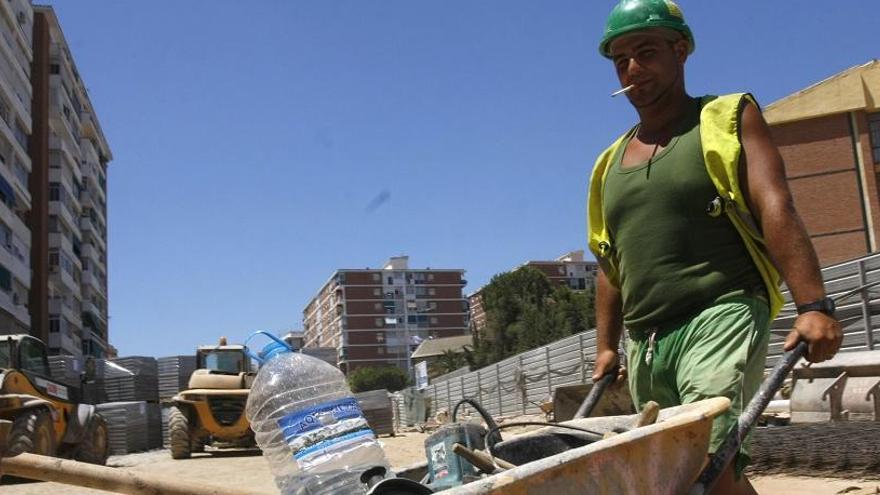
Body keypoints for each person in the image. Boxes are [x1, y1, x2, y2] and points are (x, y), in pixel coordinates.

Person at [586, 1, 843, 493]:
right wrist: (605, 346)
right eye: (621, 59)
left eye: (646, 52)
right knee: (681, 474)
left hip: (720, 310)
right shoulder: (607, 164)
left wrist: (814, 304)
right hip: (647, 340)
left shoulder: (725, 118)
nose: (633, 68)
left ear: (680, 51)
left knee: (701, 455)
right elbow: (607, 261)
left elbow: (775, 204)